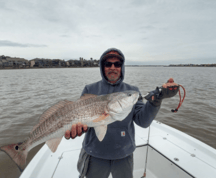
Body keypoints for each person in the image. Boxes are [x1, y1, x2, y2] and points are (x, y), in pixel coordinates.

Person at [64, 48, 179, 178]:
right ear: (102, 67)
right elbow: (80, 118)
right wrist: (77, 128)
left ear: (122, 67)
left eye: (117, 64)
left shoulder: (133, 91)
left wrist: (157, 100)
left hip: (124, 155)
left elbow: (143, 121)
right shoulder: (90, 89)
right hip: (94, 154)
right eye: (108, 64)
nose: (113, 67)